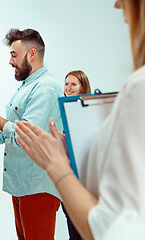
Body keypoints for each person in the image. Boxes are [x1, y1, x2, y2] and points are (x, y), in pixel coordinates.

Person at [14, 0, 145, 239]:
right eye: (67, 84)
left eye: (73, 84)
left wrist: (56, 166)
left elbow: (110, 229)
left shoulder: (138, 88)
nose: (116, 5)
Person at [0, 28, 63, 239]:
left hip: (38, 187)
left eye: (14, 55)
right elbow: (4, 130)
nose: (10, 61)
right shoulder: (26, 87)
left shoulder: (45, 88)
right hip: (21, 185)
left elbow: (24, 134)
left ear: (32, 54)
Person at [62, 70, 92, 240]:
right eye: (66, 83)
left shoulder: (86, 111)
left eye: (74, 84)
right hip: (67, 177)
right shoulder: (63, 110)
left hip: (83, 179)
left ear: (83, 88)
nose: (68, 87)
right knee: (71, 224)